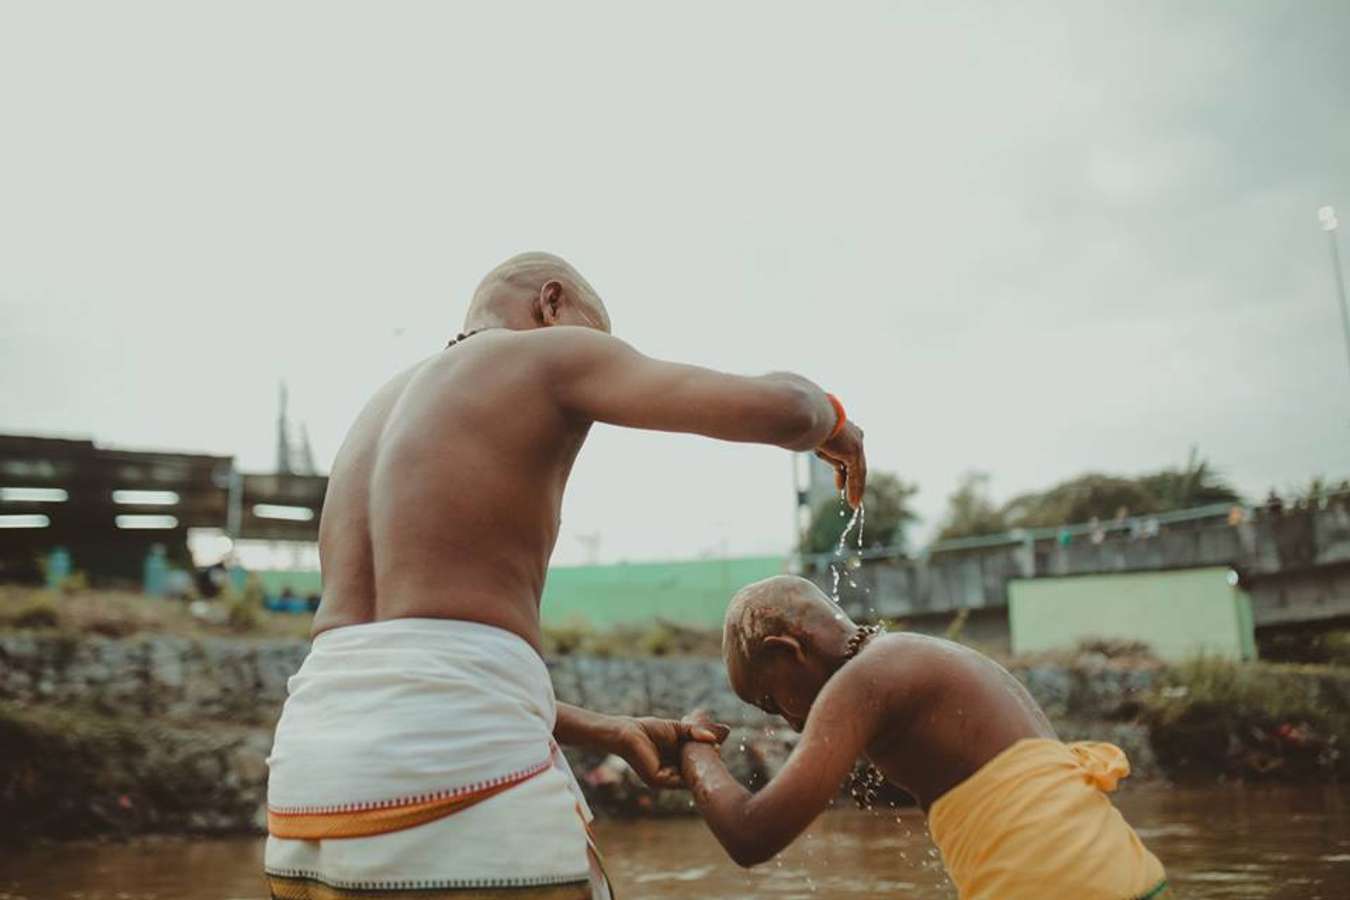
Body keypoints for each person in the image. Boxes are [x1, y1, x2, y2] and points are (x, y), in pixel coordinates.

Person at [264, 252, 867, 899]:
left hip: (302, 798)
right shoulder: (546, 357)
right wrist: (835, 423)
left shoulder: (372, 416)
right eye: (591, 335)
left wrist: (610, 730)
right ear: (550, 303)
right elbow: (787, 411)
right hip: (455, 791)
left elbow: (415, 664)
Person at [680, 575, 1168, 900]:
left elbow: (751, 834)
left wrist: (695, 749)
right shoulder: (910, 656)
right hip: (1122, 874)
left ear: (787, 650)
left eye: (772, 701)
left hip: (1054, 885)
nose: (789, 723)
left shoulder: (864, 680)